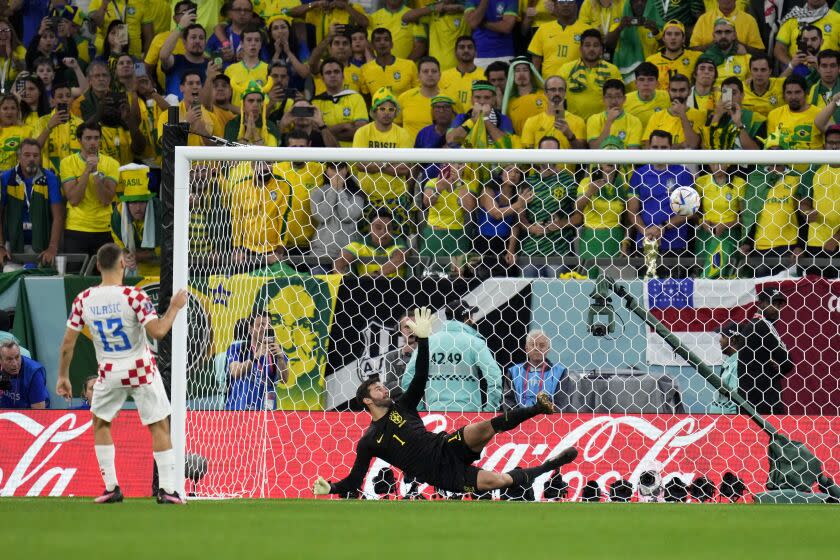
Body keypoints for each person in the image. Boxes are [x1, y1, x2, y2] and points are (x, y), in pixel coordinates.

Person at [313, 308, 577, 498]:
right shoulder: (369, 440)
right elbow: (354, 480)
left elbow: (421, 373)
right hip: (443, 476)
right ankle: (549, 466)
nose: (383, 387)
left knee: (486, 426)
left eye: (382, 385)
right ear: (367, 401)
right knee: (500, 480)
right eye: (376, 388)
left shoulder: (403, 406)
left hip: (445, 446)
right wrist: (332, 487)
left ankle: (538, 408)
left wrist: (425, 340)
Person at [57, 243, 189, 503]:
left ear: (97, 266)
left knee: (101, 423)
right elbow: (159, 331)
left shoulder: (83, 299)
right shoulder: (134, 296)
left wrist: (63, 376)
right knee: (159, 426)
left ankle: (111, 487)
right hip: (140, 370)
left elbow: (67, 345)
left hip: (108, 373)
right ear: (123, 264)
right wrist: (174, 307)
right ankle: (168, 490)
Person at [402, 300, 503, 412]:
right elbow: (495, 377)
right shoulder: (475, 342)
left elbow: (407, 379)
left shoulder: (429, 342)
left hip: (435, 416)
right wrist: (489, 411)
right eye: (471, 316)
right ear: (467, 318)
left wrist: (419, 410)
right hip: (470, 416)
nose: (473, 320)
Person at [628, 130, 695, 277]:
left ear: (671, 148)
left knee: (674, 294)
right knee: (646, 293)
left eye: (664, 148)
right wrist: (645, 231)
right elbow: (632, 210)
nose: (659, 151)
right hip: (646, 243)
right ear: (648, 148)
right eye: (655, 147)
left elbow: (690, 210)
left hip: (676, 245)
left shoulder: (683, 173)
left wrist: (663, 226)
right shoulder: (639, 174)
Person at [516, 136, 580, 278]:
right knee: (527, 296)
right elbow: (520, 218)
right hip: (531, 250)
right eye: (545, 151)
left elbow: (579, 217)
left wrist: (561, 224)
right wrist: (531, 227)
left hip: (558, 250)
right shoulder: (528, 181)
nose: (549, 154)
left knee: (555, 295)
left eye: (553, 151)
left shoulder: (568, 180)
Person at [352, 88, 413, 235]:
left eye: (391, 109)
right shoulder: (362, 132)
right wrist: (389, 164)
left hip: (397, 198)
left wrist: (376, 165)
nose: (387, 112)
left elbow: (405, 169)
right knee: (366, 243)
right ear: (374, 111)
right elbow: (359, 165)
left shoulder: (402, 133)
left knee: (400, 241)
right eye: (382, 108)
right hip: (367, 198)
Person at [0, 139, 64, 267]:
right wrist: (0, 246)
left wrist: (52, 247)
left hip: (41, 244)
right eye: (27, 155)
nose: (31, 159)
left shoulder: (50, 178)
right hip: (12, 244)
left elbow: (58, 216)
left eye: (35, 155)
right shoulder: (5, 178)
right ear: (19, 157)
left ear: (40, 157)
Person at [60, 122, 120, 257]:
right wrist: (87, 170)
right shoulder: (67, 163)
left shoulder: (112, 164)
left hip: (104, 229)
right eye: (88, 138)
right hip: (76, 228)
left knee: (105, 276)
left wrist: (96, 174)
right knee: (75, 276)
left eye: (96, 138)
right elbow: (74, 199)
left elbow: (106, 200)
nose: (93, 142)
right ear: (79, 140)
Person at [737, 287, 794, 415]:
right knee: (777, 434)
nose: (777, 309)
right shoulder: (764, 325)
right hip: (766, 400)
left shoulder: (751, 325)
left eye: (779, 305)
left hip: (747, 400)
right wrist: (779, 367)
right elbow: (788, 362)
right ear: (761, 303)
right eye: (773, 303)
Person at [576, 137, 630, 265]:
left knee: (613, 281)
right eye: (606, 155)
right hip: (591, 238)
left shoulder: (624, 186)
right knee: (590, 282)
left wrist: (626, 242)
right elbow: (577, 208)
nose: (609, 160)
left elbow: (628, 220)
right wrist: (590, 192)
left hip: (615, 238)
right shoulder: (586, 182)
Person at [420, 162, 476, 277]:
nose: (458, 168)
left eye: (461, 165)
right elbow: (427, 202)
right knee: (430, 275)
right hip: (434, 234)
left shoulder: (468, 184)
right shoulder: (433, 182)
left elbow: (470, 208)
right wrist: (439, 189)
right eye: (455, 164)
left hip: (457, 234)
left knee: (457, 275)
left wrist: (461, 185)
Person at [225, 309, 288, 411]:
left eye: (268, 324)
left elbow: (284, 379)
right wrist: (255, 358)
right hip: (238, 411)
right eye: (261, 325)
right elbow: (235, 372)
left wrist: (280, 358)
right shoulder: (238, 348)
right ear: (251, 329)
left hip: (266, 412)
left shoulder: (276, 350)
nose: (265, 328)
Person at [309, 162, 364, 272]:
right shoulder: (317, 193)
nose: (337, 172)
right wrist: (334, 188)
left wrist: (339, 190)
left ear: (346, 170)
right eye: (333, 168)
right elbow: (322, 216)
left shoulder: (357, 194)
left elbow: (347, 216)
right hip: (321, 255)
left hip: (347, 256)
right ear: (327, 170)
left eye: (340, 168)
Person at [801, 124, 840, 278]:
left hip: (836, 242)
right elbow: (803, 201)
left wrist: (836, 239)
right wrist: (807, 212)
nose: (835, 146)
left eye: (838, 143)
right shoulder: (813, 170)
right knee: (816, 294)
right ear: (824, 145)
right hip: (815, 243)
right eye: (831, 143)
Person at [557, 29, 623, 120]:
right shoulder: (566, 69)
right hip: (574, 124)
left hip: (604, 123)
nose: (591, 49)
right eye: (587, 45)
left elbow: (619, 100)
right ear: (580, 49)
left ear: (601, 49)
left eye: (596, 45)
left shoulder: (612, 70)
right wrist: (559, 119)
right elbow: (556, 98)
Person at [694, 163, 745, 278]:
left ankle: (705, 282)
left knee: (718, 270)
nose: (717, 167)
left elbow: (746, 217)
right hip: (706, 234)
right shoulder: (701, 182)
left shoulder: (739, 183)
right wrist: (702, 221)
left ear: (727, 164)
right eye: (714, 163)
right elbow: (693, 212)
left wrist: (725, 226)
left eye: (721, 163)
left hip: (730, 234)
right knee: (704, 266)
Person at [110, 165, 161, 277]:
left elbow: (166, 250)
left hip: (162, 272)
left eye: (142, 202)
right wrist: (124, 255)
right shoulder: (118, 215)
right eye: (133, 203)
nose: (138, 208)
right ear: (126, 204)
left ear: (148, 202)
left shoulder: (160, 212)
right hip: (135, 272)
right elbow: (119, 244)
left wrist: (138, 256)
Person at [528, 0, 592, 80]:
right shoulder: (543, 29)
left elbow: (593, 60)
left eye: (570, 2)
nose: (566, 5)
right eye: (561, 2)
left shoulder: (587, 30)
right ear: (556, 6)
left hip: (577, 84)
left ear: (576, 6)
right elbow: (536, 63)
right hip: (549, 85)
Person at [311, 58, 368, 148]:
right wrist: (343, 126)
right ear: (322, 78)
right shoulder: (316, 103)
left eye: (336, 72)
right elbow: (314, 134)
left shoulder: (356, 98)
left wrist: (325, 131)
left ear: (343, 76)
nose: (333, 75)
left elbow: (361, 132)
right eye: (328, 73)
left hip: (352, 157)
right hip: (325, 156)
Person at [333, 209, 407, 278]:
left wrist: (375, 275)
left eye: (388, 228)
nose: (384, 232)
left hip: (396, 288)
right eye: (378, 227)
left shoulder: (398, 242)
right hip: (365, 288)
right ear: (370, 228)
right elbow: (340, 261)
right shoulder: (360, 244)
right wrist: (345, 281)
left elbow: (400, 257)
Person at [503, 329, 566, 410]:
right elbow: (508, 403)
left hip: (549, 420)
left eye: (542, 345)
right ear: (526, 348)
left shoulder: (560, 372)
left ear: (548, 349)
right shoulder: (513, 372)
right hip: (520, 420)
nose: (537, 348)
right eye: (533, 345)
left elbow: (561, 404)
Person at [401, 0, 467, 71]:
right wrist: (433, 8)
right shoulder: (433, 11)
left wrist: (461, 8)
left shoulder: (467, 9)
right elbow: (406, 17)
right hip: (435, 71)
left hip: (461, 71)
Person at [773, 0, 840, 69]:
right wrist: (792, 65)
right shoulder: (792, 17)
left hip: (829, 75)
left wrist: (826, 67)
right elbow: (779, 49)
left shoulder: (838, 19)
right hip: (796, 76)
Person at [642, 74, 703, 148]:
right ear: (668, 91)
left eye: (682, 90)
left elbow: (693, 145)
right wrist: (680, 145)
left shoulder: (699, 115)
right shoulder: (656, 116)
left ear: (689, 91)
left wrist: (682, 115)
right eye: (674, 90)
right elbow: (648, 147)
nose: (678, 95)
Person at [704, 76, 764, 150]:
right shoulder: (713, 117)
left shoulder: (756, 119)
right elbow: (704, 147)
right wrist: (717, 116)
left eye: (734, 93)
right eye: (726, 93)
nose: (730, 97)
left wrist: (738, 123)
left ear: (742, 95)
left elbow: (756, 152)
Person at [767, 75, 824, 151]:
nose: (793, 97)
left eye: (797, 92)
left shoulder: (820, 114)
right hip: (784, 162)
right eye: (789, 93)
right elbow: (771, 146)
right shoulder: (774, 115)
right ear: (784, 95)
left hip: (814, 162)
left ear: (806, 93)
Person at [159, 14, 209, 99]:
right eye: (193, 37)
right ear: (184, 42)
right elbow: (163, 55)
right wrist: (180, 27)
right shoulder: (176, 61)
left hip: (200, 110)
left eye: (201, 38)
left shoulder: (210, 66)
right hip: (173, 110)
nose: (197, 41)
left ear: (205, 43)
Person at [360, 28, 418, 97]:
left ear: (392, 44)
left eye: (386, 39)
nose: (382, 43)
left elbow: (418, 92)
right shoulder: (365, 69)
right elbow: (366, 98)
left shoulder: (409, 65)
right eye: (378, 40)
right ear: (372, 46)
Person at [397, 56, 443, 143]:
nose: (430, 74)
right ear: (418, 76)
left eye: (434, 71)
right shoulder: (404, 98)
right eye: (425, 71)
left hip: (438, 154)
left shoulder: (450, 99)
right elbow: (396, 126)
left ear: (440, 75)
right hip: (408, 153)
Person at [644, 20, 701, 91]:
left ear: (683, 38)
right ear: (663, 38)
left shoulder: (696, 57)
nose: (673, 37)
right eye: (669, 34)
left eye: (677, 34)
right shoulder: (651, 61)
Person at [587, 78, 643, 149]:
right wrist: (609, 121)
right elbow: (594, 148)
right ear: (604, 99)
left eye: (618, 96)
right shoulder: (593, 119)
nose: (613, 101)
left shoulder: (634, 121)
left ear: (624, 99)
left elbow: (632, 154)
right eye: (609, 97)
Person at [690, 0, 763, 53]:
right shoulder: (704, 19)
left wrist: (736, 43)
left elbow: (759, 51)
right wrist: (714, 44)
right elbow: (692, 49)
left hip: (741, 68)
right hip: (710, 67)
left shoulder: (749, 20)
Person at [501, 56, 546, 136]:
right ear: (512, 75)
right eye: (517, 71)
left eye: (525, 70)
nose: (521, 74)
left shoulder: (545, 95)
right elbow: (507, 131)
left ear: (531, 74)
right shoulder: (509, 103)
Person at [464, 0, 517, 67]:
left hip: (505, 54)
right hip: (480, 55)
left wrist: (484, 24)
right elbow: (473, 23)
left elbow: (506, 27)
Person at [439, 35, 485, 111]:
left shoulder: (485, 75)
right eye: (462, 47)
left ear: (476, 52)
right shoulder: (443, 76)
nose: (466, 50)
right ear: (455, 52)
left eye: (470, 47)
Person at [0, 340, 48, 409]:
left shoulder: (34, 373)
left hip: (28, 415)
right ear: (0, 360)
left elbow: (38, 412)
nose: (15, 364)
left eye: (17, 357)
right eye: (9, 359)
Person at [381, 312, 418, 397]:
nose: (411, 330)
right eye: (407, 327)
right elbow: (388, 389)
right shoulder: (392, 357)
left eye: (414, 326)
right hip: (400, 407)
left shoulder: (430, 353)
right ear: (399, 330)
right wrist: (418, 380)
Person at [709, 322, 742, 414]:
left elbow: (735, 400)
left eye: (723, 336)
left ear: (733, 340)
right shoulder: (729, 363)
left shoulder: (738, 365)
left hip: (726, 423)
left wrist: (731, 423)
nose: (720, 340)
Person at [624, 62, 670, 130]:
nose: (646, 84)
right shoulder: (624, 100)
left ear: (657, 83)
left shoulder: (667, 97)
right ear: (636, 83)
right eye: (641, 79)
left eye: (650, 79)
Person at [741, 54, 786, 118]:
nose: (759, 74)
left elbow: (803, 84)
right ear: (750, 71)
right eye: (755, 70)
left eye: (763, 70)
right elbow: (725, 91)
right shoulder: (739, 87)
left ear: (770, 71)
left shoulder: (782, 84)